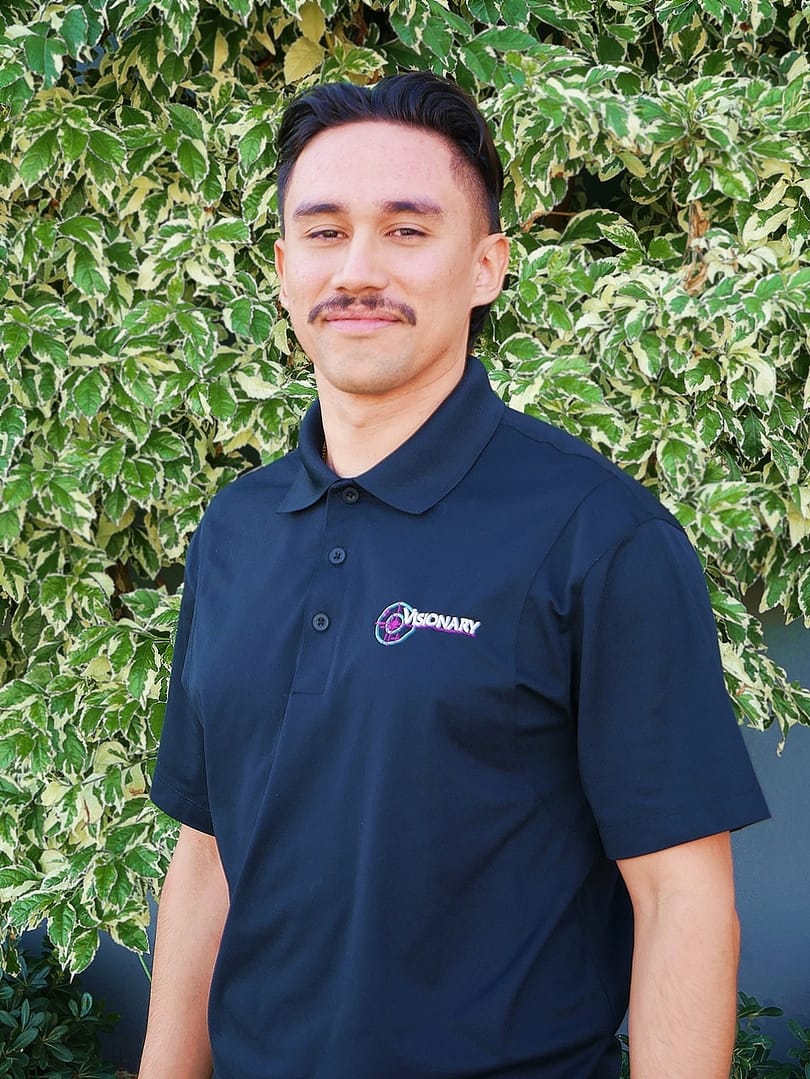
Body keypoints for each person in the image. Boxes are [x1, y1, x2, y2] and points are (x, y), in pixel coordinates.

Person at [140, 72, 769, 1079]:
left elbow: (682, 898)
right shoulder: (237, 528)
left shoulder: (598, 533)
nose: (356, 269)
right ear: (281, 265)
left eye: (406, 230)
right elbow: (207, 855)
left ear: (485, 266)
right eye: (323, 230)